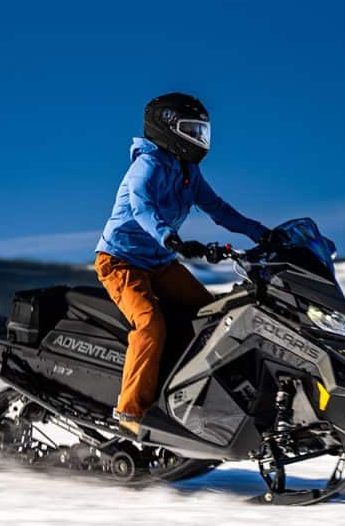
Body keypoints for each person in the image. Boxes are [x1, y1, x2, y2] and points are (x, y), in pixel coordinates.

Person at [94, 92, 272, 436]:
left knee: (215, 318)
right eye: (192, 130)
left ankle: (190, 398)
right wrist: (170, 238)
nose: (199, 139)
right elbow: (142, 208)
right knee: (149, 325)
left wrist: (263, 234)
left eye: (202, 131)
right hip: (121, 262)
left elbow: (219, 209)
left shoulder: (188, 171)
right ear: (166, 129)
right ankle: (130, 413)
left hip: (159, 262)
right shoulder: (146, 166)